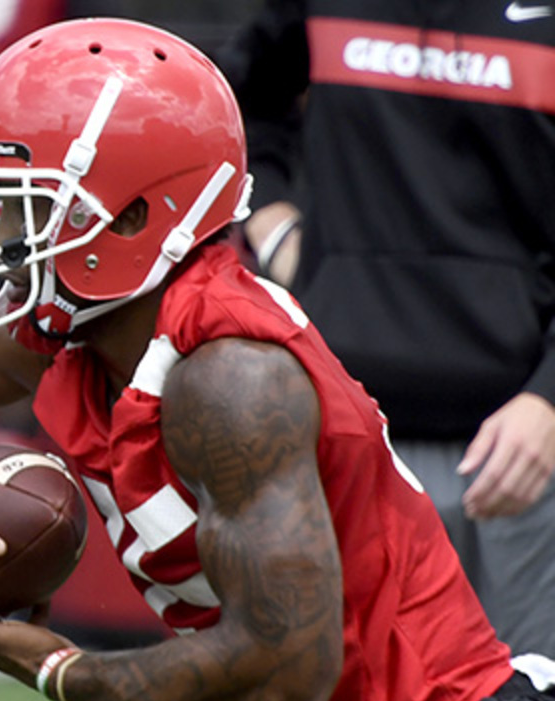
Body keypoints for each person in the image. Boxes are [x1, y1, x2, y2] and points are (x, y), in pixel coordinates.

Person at [0, 18, 555, 701]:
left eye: (27, 204)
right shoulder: (78, 320)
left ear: (130, 217)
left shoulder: (232, 378)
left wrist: (66, 675)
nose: (2, 234)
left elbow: (289, 673)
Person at [216, 0, 555, 659]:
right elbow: (233, 113)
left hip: (532, 452)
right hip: (348, 431)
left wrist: (550, 398)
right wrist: (275, 225)